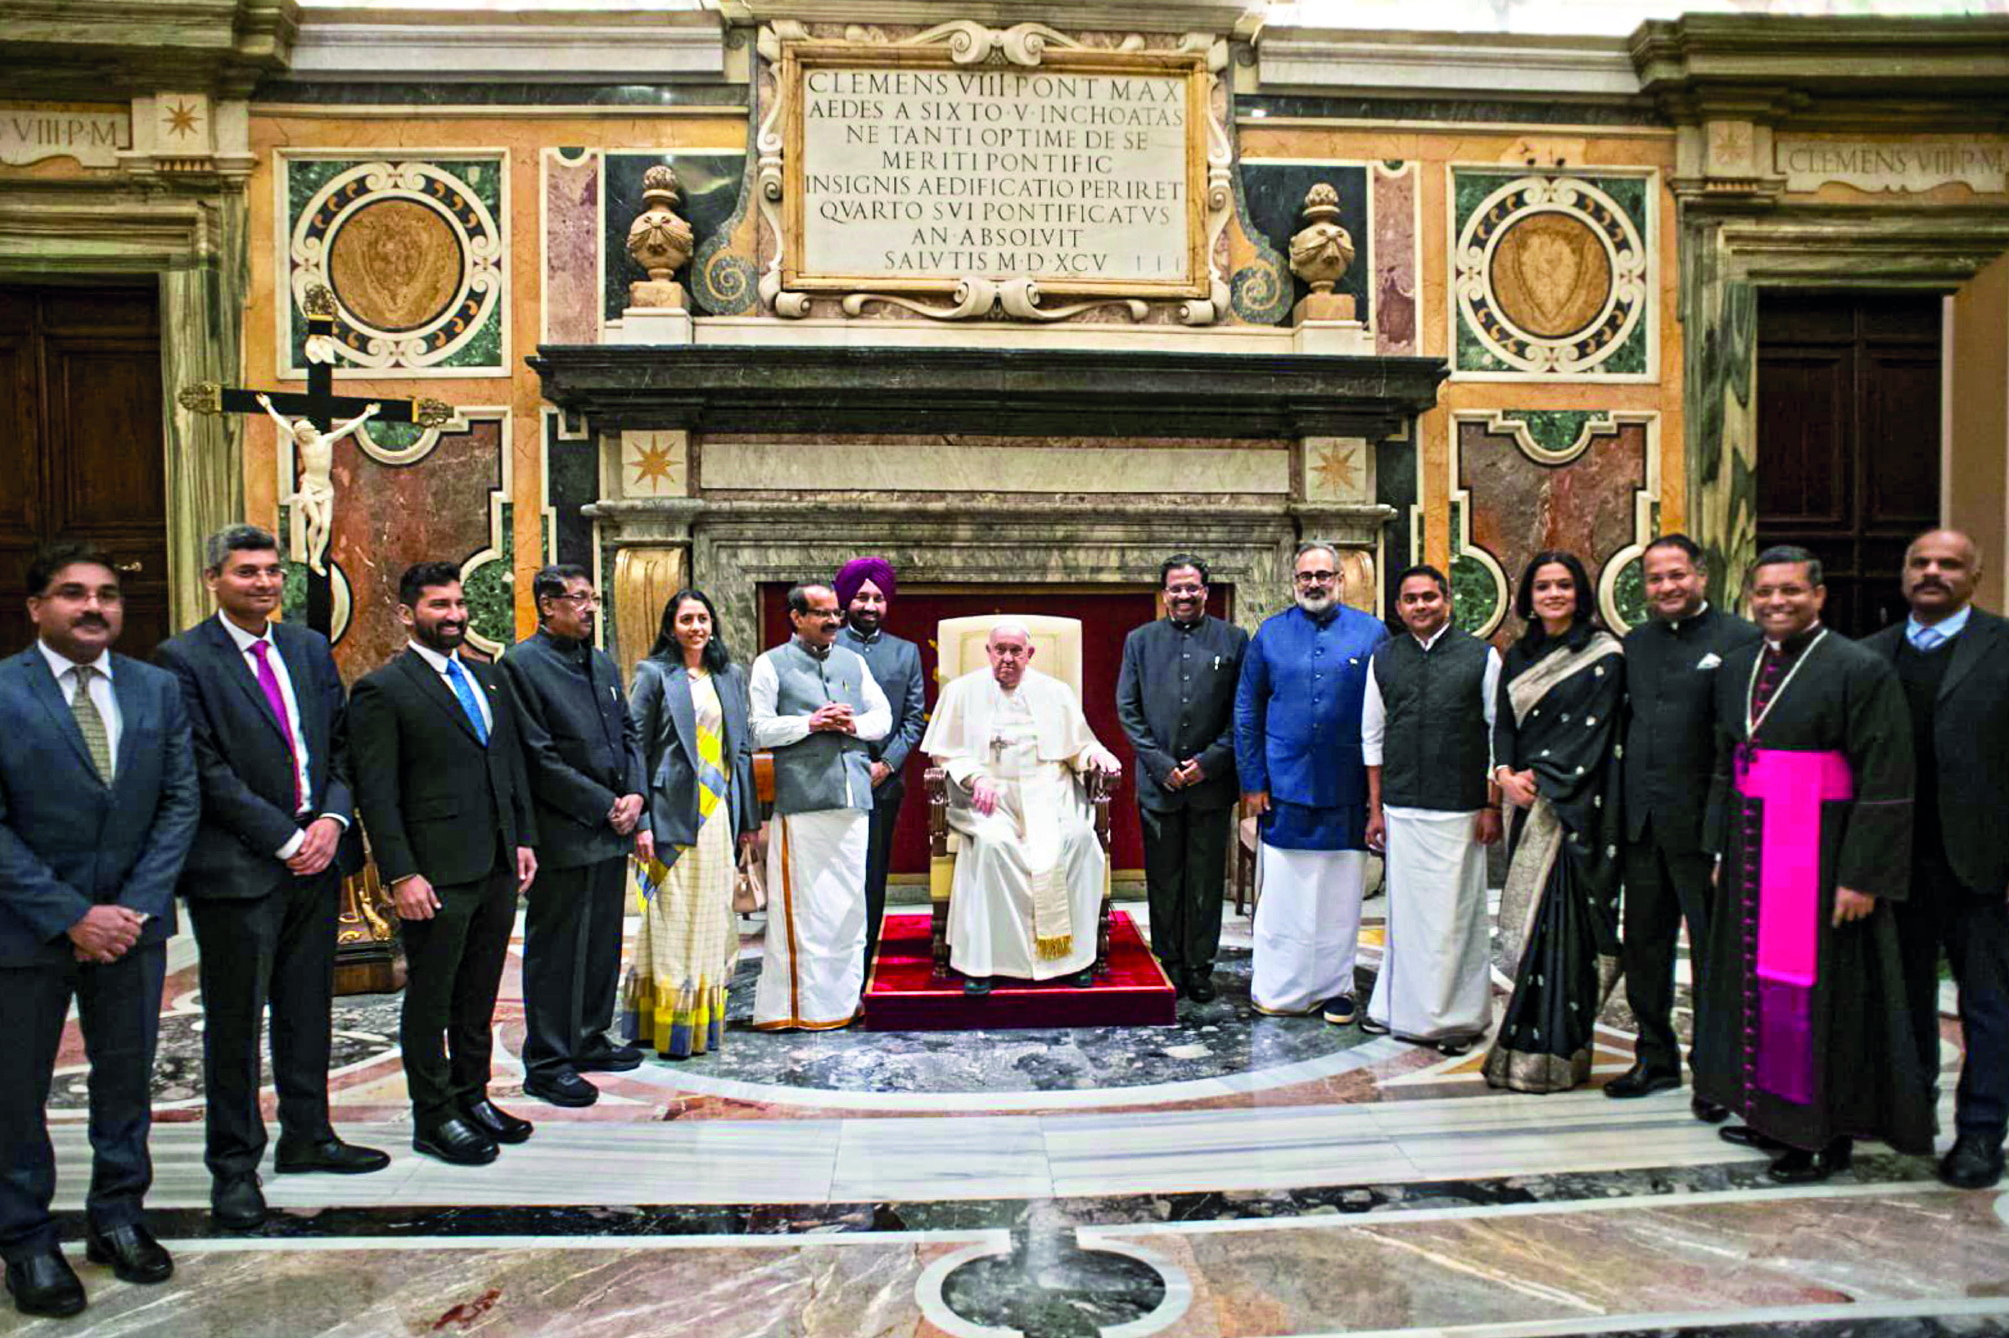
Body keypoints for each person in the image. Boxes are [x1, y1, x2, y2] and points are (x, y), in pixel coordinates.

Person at [153, 525, 388, 1235]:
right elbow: (202, 767)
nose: (263, 583)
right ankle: (233, 1167)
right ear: (212, 580)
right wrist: (286, 837)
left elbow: (342, 746)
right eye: (246, 572)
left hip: (318, 861)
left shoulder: (308, 648)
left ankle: (308, 1134)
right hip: (238, 871)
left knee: (306, 1009)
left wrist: (332, 823)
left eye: (271, 572)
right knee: (233, 1026)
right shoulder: (183, 659)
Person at [0, 543, 198, 1318]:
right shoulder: (3, 690)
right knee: (17, 1092)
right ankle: (26, 1240)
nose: (94, 607)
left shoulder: (155, 689)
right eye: (73, 593)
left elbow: (179, 802)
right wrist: (71, 915)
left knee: (126, 1080)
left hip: (131, 929)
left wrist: (133, 909)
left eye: (108, 595)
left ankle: (117, 1216)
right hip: (25, 932)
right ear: (36, 607)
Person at [1698, 545, 1933, 1183]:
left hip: (1818, 853)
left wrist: (1862, 875)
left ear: (1819, 596)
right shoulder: (1741, 665)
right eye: (1765, 592)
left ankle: (1819, 1133)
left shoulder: (1859, 667)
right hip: (1752, 845)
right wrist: (1721, 846)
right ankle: (1766, 1112)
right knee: (1749, 981)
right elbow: (1727, 762)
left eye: (1791, 591)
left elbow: (1887, 776)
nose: (1777, 602)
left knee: (1815, 996)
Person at [351, 563, 539, 1166]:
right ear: (408, 614)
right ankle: (433, 1117)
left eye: (459, 604)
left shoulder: (487, 679)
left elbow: (508, 769)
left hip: (493, 865)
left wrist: (522, 840)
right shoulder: (385, 689)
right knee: (431, 999)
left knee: (479, 994)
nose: (454, 615)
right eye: (439, 606)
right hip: (433, 874)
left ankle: (472, 1096)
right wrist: (401, 874)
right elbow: (376, 793)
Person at [1863, 529, 2009, 1189]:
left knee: (1987, 1006)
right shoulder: (1870, 657)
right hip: (1894, 865)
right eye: (1919, 563)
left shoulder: (2003, 648)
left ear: (1973, 577)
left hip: (1981, 866)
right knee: (1901, 997)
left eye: (1947, 564)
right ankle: (1907, 1109)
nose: (1930, 573)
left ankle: (1980, 1134)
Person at [1607, 535, 1760, 1120]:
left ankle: (1718, 1072)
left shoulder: (1738, 640)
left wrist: (1726, 834)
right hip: (1643, 825)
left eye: (1677, 576)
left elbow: (1738, 745)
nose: (1667, 587)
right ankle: (1655, 1058)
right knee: (1645, 949)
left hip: (1704, 831)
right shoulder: (1637, 643)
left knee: (1716, 957)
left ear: (1701, 575)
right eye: (1655, 578)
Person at [499, 566, 647, 1107]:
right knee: (557, 949)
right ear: (547, 605)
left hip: (613, 828)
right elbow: (537, 755)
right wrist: (603, 804)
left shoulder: (601, 660)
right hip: (564, 829)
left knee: (603, 943)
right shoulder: (521, 665)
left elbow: (628, 733)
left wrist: (635, 795)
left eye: (592, 598)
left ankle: (588, 1037)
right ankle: (548, 1060)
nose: (589, 608)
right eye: (579, 599)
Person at [1484, 550, 1626, 1094]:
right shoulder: (1517, 655)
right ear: (1529, 596)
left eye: (1564, 585)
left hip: (1576, 814)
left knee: (1565, 932)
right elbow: (1503, 727)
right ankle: (1524, 1050)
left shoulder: (1604, 655)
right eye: (1543, 585)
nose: (1553, 594)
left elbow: (1599, 735)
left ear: (1580, 593)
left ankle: (1559, 1051)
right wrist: (1503, 774)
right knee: (1525, 935)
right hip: (1527, 808)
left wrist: (1540, 776)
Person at [923, 620, 1122, 993]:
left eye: (1016, 651)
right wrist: (974, 778)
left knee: (1081, 842)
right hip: (988, 797)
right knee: (994, 848)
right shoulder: (961, 692)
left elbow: (1079, 746)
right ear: (988, 652)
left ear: (1030, 655)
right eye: (1000, 650)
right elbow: (944, 752)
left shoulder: (1056, 692)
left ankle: (1075, 957)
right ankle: (985, 963)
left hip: (1052, 792)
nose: (1008, 658)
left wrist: (1098, 753)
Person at [1233, 541, 1387, 1020]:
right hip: (1284, 786)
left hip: (1347, 787)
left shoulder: (1373, 634)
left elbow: (1384, 712)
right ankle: (1279, 987)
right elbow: (1247, 709)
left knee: (1340, 898)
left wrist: (1378, 797)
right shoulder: (1270, 635)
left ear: (1340, 580)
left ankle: (1334, 987)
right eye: (1306, 576)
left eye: (1324, 575)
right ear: (1294, 582)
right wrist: (1253, 781)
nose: (1314, 584)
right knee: (1284, 895)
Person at [1361, 565, 1502, 1054]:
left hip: (1461, 808)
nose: (1420, 606)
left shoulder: (1481, 657)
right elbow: (1372, 738)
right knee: (1406, 918)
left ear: (1447, 601)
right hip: (1401, 806)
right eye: (1410, 599)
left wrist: (1492, 804)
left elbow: (1495, 736)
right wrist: (1375, 810)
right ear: (1397, 608)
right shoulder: (1384, 659)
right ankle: (1397, 1008)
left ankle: (1456, 1018)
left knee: (1454, 919)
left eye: (1428, 597)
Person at [747, 582, 891, 1028]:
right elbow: (756, 729)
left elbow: (882, 717)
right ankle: (796, 1008)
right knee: (806, 910)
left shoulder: (854, 661)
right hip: (802, 801)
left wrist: (853, 724)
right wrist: (809, 723)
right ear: (796, 617)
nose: (833, 622)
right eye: (822, 614)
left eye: (836, 615)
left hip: (852, 799)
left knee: (848, 909)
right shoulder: (770, 664)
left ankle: (843, 1003)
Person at [627, 589, 759, 1058]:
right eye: (687, 619)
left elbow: (740, 750)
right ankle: (665, 1025)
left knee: (711, 914)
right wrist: (639, 818)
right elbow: (635, 749)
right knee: (672, 914)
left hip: (719, 810)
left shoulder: (729, 675)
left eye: (703, 618)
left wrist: (750, 821)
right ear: (671, 627)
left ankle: (700, 1022)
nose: (697, 627)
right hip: (670, 813)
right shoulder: (654, 675)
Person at [1117, 553, 1247, 1001]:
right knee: (1164, 878)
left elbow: (1241, 711)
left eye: (1192, 587)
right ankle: (1168, 961)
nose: (1185, 595)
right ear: (1164, 593)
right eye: (1176, 588)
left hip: (1212, 783)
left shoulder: (1234, 640)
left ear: (1206, 592)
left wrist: (1208, 762)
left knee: (1206, 881)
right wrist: (1161, 764)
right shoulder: (1140, 641)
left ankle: (1199, 967)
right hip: (1160, 785)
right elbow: (1128, 710)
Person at [833, 557, 927, 983]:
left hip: (884, 782)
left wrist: (886, 764)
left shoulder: (905, 652)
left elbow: (914, 718)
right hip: (834, 779)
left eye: (878, 598)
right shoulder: (828, 645)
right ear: (845, 600)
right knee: (836, 875)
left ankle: (864, 960)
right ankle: (833, 961)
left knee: (872, 874)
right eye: (861, 597)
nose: (870, 606)